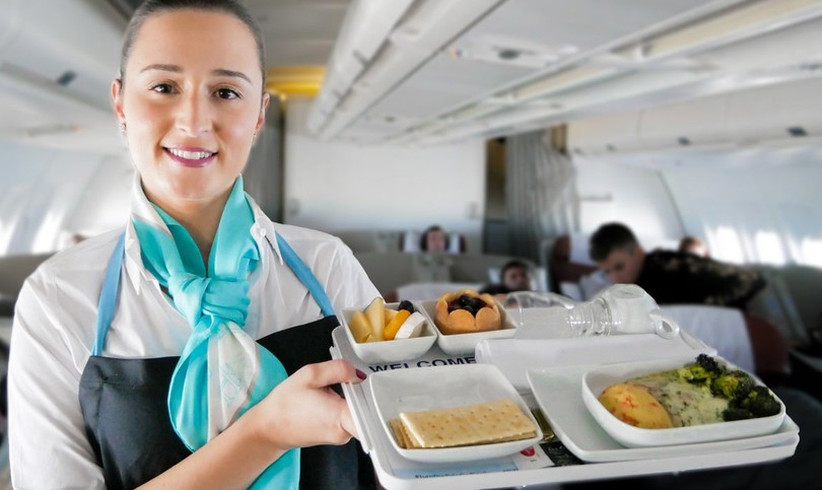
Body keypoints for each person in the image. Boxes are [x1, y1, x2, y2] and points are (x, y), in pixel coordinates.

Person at [7, 2, 380, 489]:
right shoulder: (60, 300)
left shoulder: (326, 266)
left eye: (226, 92)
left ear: (260, 113)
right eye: (164, 87)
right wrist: (265, 433)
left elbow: (400, 440)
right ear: (121, 103)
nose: (194, 120)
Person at [589, 222, 765, 310]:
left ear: (639, 252)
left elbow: (748, 279)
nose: (614, 278)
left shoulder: (669, 269)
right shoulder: (637, 285)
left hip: (752, 302)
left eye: (620, 267)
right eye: (607, 272)